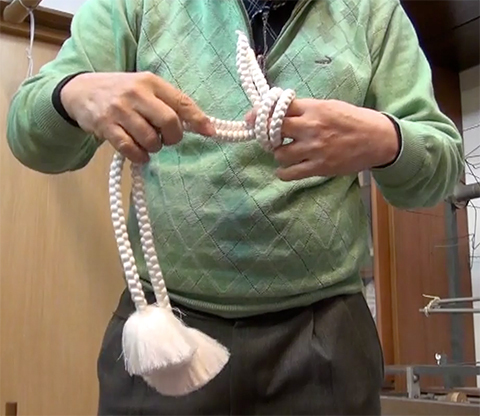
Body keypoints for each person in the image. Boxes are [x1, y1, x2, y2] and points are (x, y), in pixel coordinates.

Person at [7, 0, 463, 414]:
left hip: (327, 339)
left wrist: (387, 140)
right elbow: (28, 135)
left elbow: (442, 165)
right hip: (164, 334)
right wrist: (73, 95)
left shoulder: (375, 12)